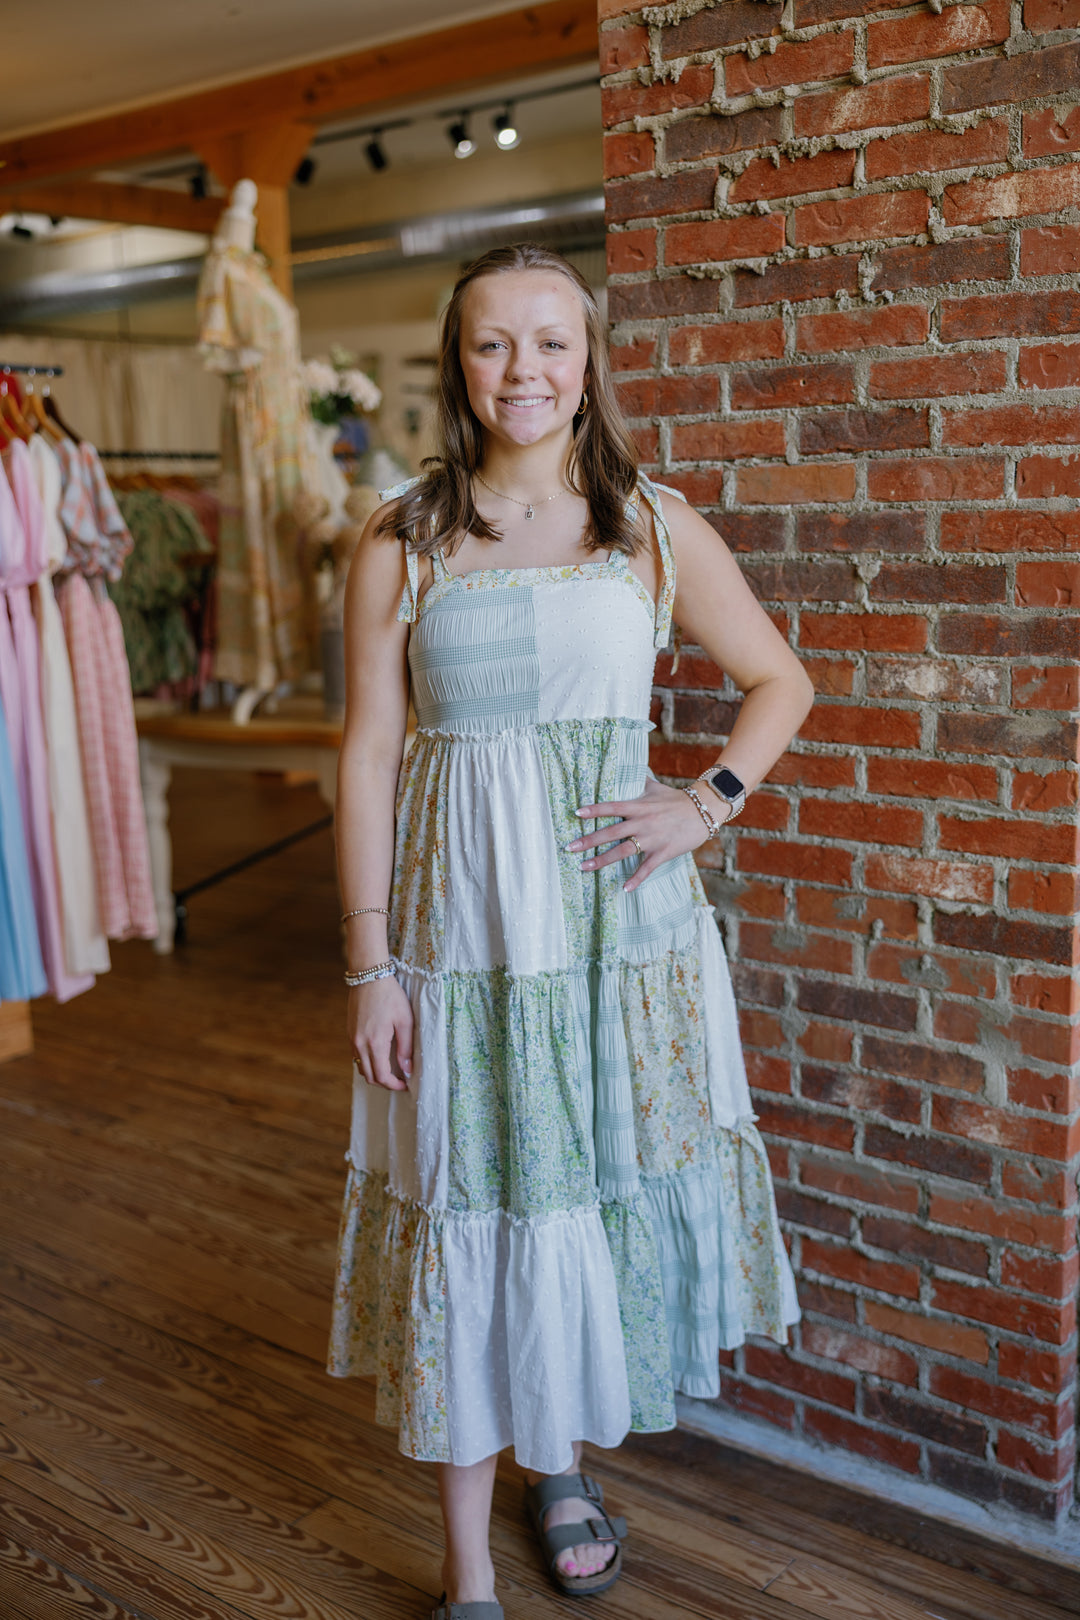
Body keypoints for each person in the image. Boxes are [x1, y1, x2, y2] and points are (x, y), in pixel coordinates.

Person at [328, 242, 814, 1620]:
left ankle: (558, 1466)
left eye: (551, 340)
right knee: (473, 1202)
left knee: (580, 1196)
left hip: (616, 943)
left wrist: (705, 803)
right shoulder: (403, 537)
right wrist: (369, 963)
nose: (524, 369)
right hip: (466, 949)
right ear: (459, 362)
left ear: (588, 359)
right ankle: (466, 1569)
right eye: (494, 343)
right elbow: (368, 755)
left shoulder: (649, 525)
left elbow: (779, 681)